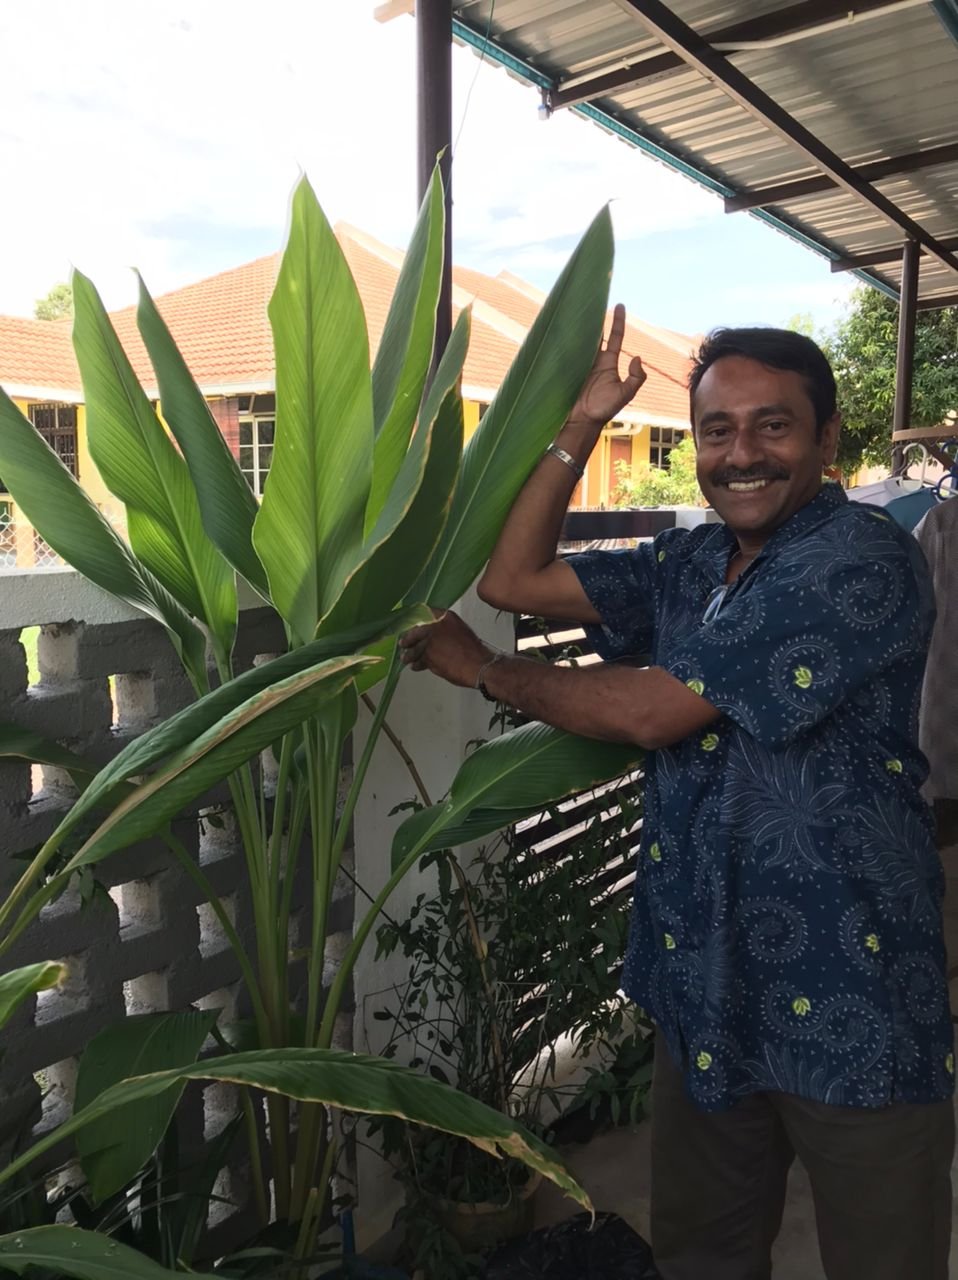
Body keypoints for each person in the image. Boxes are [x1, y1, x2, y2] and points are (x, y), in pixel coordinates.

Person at [399, 309, 954, 1280]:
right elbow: (514, 577)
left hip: (851, 983)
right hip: (705, 977)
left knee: (883, 1257)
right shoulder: (691, 561)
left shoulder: (858, 557)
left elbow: (655, 712)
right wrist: (584, 421)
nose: (741, 454)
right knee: (703, 1251)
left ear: (826, 436)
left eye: (773, 424)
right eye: (715, 429)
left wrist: (484, 670)